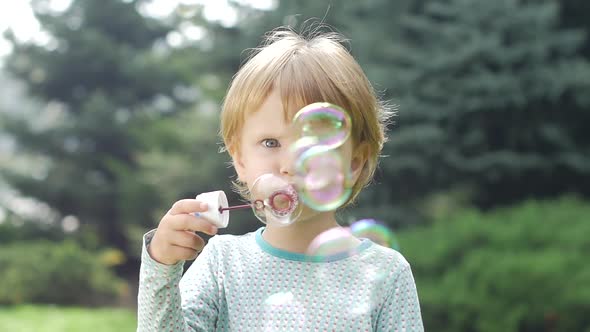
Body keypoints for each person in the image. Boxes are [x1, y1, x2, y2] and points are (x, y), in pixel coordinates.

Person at [137, 27, 424, 331]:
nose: (290, 164)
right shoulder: (223, 265)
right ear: (240, 159)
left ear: (354, 162)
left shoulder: (386, 273)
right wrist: (162, 268)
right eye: (271, 143)